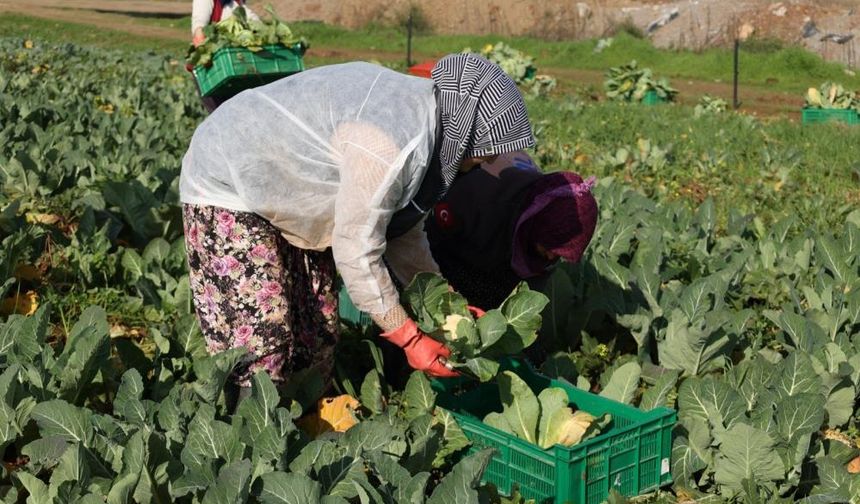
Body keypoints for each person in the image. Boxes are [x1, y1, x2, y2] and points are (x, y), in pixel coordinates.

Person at [179, 53, 535, 396]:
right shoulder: (391, 143)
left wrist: (443, 302)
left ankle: (296, 426)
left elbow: (402, 232)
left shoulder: (429, 123)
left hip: (288, 187)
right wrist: (409, 337)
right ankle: (248, 442)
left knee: (316, 334)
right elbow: (356, 251)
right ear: (464, 132)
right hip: (228, 174)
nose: (476, 166)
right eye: (480, 156)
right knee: (263, 341)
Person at [425, 150, 598, 311]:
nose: (553, 257)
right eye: (550, 248)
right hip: (445, 248)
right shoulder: (476, 198)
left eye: (559, 253)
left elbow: (530, 296)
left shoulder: (546, 224)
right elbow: (423, 244)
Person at [189, 0, 260, 112]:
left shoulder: (235, 2)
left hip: (233, 69)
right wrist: (205, 56)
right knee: (222, 117)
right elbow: (199, 34)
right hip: (212, 72)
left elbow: (252, 20)